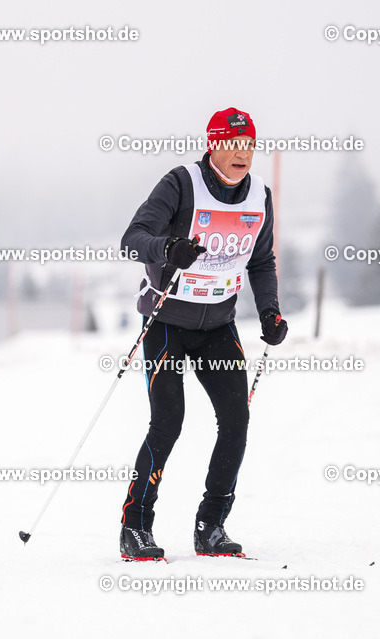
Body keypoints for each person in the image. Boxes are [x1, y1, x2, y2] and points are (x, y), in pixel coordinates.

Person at [118, 108, 288, 561]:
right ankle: (136, 527)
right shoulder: (181, 184)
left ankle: (211, 526)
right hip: (166, 323)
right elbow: (132, 239)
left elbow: (261, 261)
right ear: (213, 145)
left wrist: (269, 312)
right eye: (232, 144)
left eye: (249, 145)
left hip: (217, 325)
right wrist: (168, 248)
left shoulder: (259, 196)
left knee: (236, 421)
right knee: (168, 422)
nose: (242, 154)